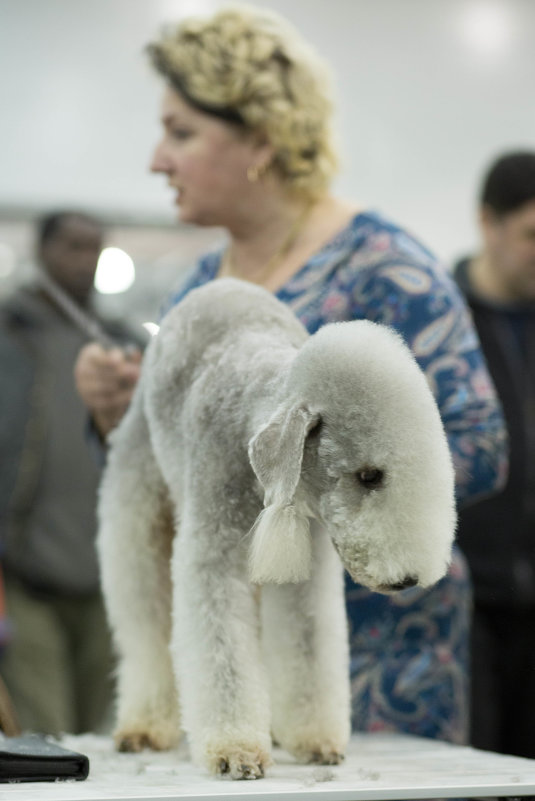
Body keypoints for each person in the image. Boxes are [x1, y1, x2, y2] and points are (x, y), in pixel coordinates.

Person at [74, 6, 507, 744]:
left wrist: (341, 479)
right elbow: (180, 477)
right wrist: (115, 412)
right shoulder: (196, 288)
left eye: (180, 132)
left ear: (261, 142)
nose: (157, 159)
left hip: (381, 675)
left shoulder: (389, 272)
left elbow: (479, 445)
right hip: (233, 678)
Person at [0, 210, 141, 735]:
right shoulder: (8, 335)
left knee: (95, 735)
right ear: (42, 250)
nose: (85, 260)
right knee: (45, 735)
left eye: (95, 247)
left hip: (107, 569)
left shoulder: (121, 346)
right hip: (26, 569)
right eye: (73, 246)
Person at [453, 151, 535, 757]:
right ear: (489, 223)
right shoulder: (439, 325)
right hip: (465, 601)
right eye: (532, 234)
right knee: (475, 769)